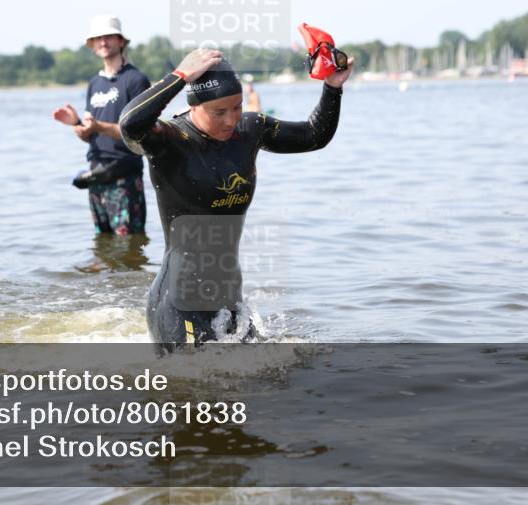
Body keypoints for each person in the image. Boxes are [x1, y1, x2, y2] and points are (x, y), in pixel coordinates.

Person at [119, 48, 353, 350]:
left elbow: (313, 135)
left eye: (237, 107)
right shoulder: (169, 140)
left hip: (229, 298)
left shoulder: (250, 130)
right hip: (178, 302)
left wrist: (332, 86)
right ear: (194, 107)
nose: (231, 120)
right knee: (190, 391)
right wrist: (179, 76)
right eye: (219, 112)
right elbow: (129, 125)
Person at [53, 15, 151, 235]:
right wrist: (77, 124)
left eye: (108, 36)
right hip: (96, 174)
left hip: (124, 176)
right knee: (102, 242)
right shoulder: (94, 83)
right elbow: (89, 133)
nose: (103, 42)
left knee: (129, 245)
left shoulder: (136, 80)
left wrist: (98, 126)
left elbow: (137, 134)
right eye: (98, 38)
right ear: (92, 45)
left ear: (121, 41)